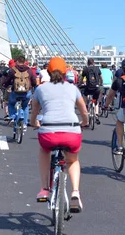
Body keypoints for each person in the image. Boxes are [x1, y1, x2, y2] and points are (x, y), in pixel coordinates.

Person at [30, 57, 89, 212]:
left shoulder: (40, 89)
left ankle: (44, 189)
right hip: (71, 131)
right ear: (65, 73)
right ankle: (75, 193)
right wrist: (84, 122)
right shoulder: (73, 88)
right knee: (72, 160)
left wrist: (33, 122)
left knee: (44, 151)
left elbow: (34, 111)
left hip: (49, 132)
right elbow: (83, 111)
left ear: (48, 72)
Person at [3, 55, 37, 128]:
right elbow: (34, 81)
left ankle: (12, 117)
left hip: (16, 92)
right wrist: (33, 86)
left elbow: (7, 80)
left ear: (17, 62)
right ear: (24, 62)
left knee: (11, 104)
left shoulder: (13, 70)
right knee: (25, 106)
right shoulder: (29, 70)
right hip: (26, 92)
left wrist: (5, 85)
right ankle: (24, 124)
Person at [81, 58, 102, 124]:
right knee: (96, 101)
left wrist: (80, 83)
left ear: (87, 63)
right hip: (96, 88)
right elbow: (101, 78)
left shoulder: (85, 69)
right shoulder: (97, 68)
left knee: (84, 95)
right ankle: (96, 113)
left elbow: (81, 78)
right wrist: (100, 83)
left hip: (88, 88)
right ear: (93, 63)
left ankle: (86, 106)